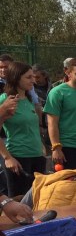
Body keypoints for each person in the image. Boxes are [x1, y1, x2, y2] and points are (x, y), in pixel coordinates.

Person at [0, 62, 46, 197]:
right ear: (16, 78)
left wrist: (41, 147)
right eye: (28, 77)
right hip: (18, 158)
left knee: (38, 199)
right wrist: (7, 158)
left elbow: (33, 127)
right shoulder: (6, 99)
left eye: (33, 76)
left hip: (37, 156)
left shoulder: (29, 99)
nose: (33, 80)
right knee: (20, 202)